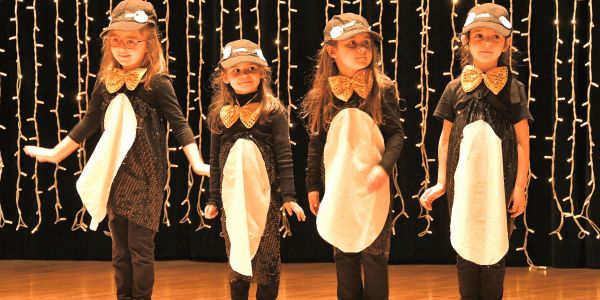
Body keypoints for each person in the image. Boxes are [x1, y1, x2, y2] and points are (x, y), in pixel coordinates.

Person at [23, 1, 210, 299]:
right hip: (116, 174)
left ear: (148, 44)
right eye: (116, 41)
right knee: (120, 250)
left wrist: (197, 163)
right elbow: (88, 123)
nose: (123, 48)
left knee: (140, 249)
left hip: (147, 178)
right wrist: (56, 153)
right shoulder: (105, 82)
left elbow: (180, 124)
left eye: (132, 41)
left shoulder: (157, 83)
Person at [419, 3, 533, 299]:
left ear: (507, 43)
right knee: (465, 244)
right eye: (479, 36)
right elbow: (444, 140)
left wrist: (520, 186)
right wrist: (442, 181)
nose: (486, 43)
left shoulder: (514, 89)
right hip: (463, 183)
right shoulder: (454, 88)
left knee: (495, 248)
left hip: (499, 181)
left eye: (495, 37)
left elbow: (522, 141)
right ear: (466, 42)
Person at [302, 13, 404, 300]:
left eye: (366, 44)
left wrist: (384, 168)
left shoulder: (383, 89)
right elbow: (316, 143)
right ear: (332, 51)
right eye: (352, 44)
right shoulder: (322, 94)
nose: (362, 50)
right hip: (339, 187)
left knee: (374, 256)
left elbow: (396, 135)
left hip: (374, 188)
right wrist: (312, 184)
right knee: (344, 254)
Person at [204, 39, 306, 300]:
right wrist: (213, 198)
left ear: (261, 73)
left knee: (267, 255)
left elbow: (284, 156)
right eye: (236, 70)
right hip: (232, 198)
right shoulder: (219, 114)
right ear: (225, 77)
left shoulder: (273, 112)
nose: (244, 75)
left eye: (251, 68)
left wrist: (289, 197)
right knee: (238, 252)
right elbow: (215, 160)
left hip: (266, 198)